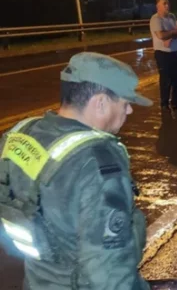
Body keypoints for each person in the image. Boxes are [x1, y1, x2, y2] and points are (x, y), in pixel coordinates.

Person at [0, 52, 151, 289]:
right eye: (125, 103)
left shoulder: (21, 134)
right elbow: (109, 274)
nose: (129, 111)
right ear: (100, 102)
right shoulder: (98, 163)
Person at [150, 0, 177, 110]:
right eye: (164, 4)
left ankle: (176, 101)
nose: (167, 6)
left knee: (176, 78)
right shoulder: (155, 19)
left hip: (174, 51)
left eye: (168, 3)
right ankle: (164, 103)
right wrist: (174, 32)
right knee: (165, 79)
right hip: (162, 53)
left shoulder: (172, 16)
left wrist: (172, 33)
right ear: (158, 6)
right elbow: (161, 36)